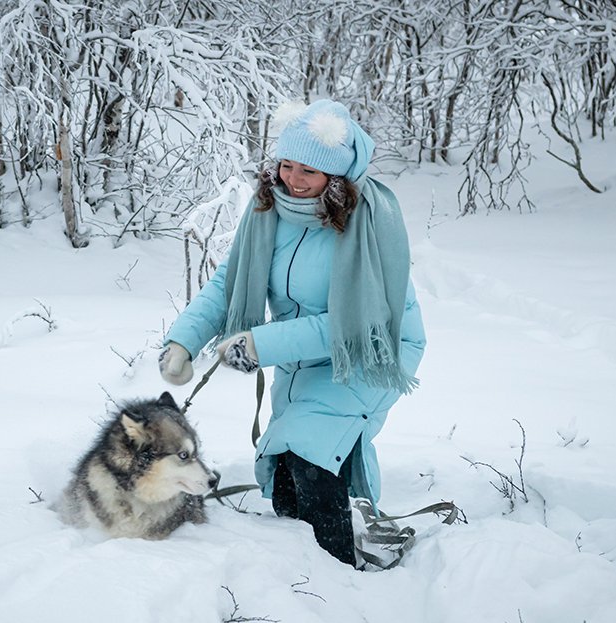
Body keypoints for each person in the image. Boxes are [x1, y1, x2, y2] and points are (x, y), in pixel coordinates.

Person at [158, 99, 426, 567]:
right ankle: (306, 568)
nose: (293, 179)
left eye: (309, 170)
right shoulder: (268, 213)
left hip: (371, 354)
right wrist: (183, 341)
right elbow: (229, 281)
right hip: (301, 360)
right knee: (283, 470)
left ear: (336, 177)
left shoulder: (369, 224)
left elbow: (357, 325)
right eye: (287, 164)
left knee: (310, 449)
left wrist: (262, 344)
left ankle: (341, 571)